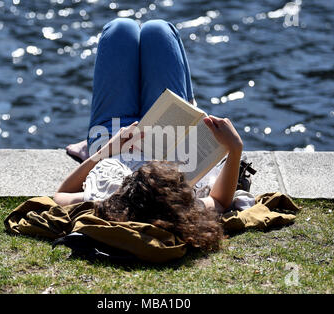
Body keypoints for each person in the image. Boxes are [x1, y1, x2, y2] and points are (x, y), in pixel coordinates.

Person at [55, 18, 243, 251]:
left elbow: (61, 195)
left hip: (114, 135)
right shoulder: (176, 207)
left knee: (120, 29)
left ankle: (89, 147)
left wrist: (106, 151)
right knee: (159, 30)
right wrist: (235, 150)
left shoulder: (109, 199)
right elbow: (220, 201)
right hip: (170, 134)